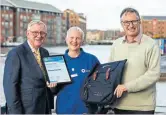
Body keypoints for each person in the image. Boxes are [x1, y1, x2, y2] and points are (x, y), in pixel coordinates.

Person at [109, 7, 160, 114]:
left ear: (139, 22)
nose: (131, 25)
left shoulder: (151, 45)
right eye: (127, 22)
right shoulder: (116, 45)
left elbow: (153, 74)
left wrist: (126, 87)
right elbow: (110, 71)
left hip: (143, 107)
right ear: (122, 24)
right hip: (118, 105)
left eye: (134, 21)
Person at [3, 20, 56, 114]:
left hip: (44, 109)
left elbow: (47, 82)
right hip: (26, 110)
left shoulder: (45, 53)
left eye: (42, 33)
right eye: (35, 32)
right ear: (27, 33)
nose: (39, 35)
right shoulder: (16, 53)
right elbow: (10, 88)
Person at [55, 27, 100, 114]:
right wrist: (51, 86)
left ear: (82, 41)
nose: (74, 41)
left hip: (86, 110)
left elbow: (100, 85)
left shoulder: (92, 60)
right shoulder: (58, 61)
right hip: (64, 110)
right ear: (66, 39)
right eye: (71, 38)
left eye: (78, 38)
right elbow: (54, 90)